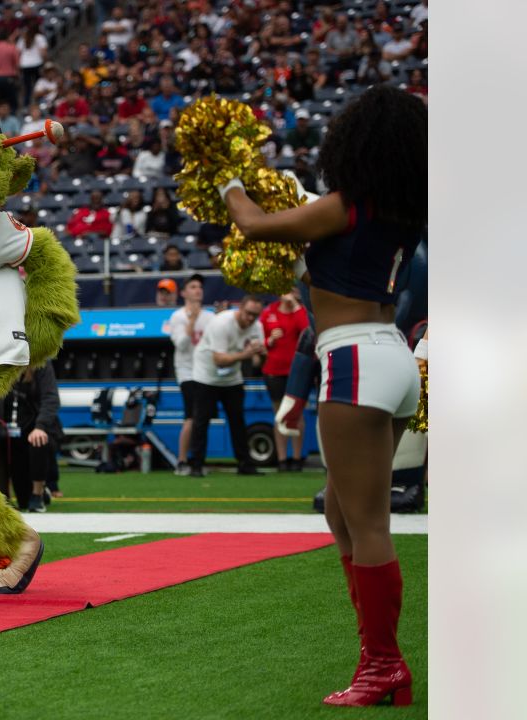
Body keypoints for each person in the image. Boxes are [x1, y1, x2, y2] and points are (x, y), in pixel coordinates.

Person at [218, 86, 426, 706]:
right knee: (341, 511)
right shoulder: (400, 212)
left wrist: (229, 181)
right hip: (393, 355)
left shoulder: (346, 206)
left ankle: (384, 665)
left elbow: (252, 225)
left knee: (366, 523)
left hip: (354, 357)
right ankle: (375, 655)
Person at [188, 295, 267, 478]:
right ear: (240, 308)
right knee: (201, 421)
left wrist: (262, 354)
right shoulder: (221, 323)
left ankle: (245, 464)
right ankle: (196, 465)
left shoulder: (257, 327)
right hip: (206, 375)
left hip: (232, 378)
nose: (250, 318)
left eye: (255, 315)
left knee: (237, 421)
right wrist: (246, 354)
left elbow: (257, 364)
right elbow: (219, 360)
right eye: (248, 313)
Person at [0, 364, 63, 513]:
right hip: (12, 431)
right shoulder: (1, 365)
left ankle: (38, 494)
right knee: (23, 500)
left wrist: (40, 426)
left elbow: (51, 398)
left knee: (38, 441)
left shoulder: (42, 365)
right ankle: (4, 494)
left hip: (37, 429)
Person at [167, 274, 215, 475]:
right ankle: (182, 460)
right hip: (188, 372)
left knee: (202, 418)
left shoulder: (210, 316)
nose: (198, 290)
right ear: (184, 292)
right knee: (191, 417)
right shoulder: (178, 316)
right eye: (193, 286)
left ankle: (196, 459)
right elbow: (181, 344)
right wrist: (192, 320)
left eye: (200, 287)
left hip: (207, 373)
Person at [261, 288, 311, 471]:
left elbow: (307, 330)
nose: (291, 293)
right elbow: (261, 340)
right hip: (274, 370)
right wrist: (269, 342)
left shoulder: (301, 311)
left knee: (297, 414)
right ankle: (282, 460)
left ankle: (297, 458)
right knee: (279, 414)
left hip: (297, 370)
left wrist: (295, 306)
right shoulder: (269, 312)